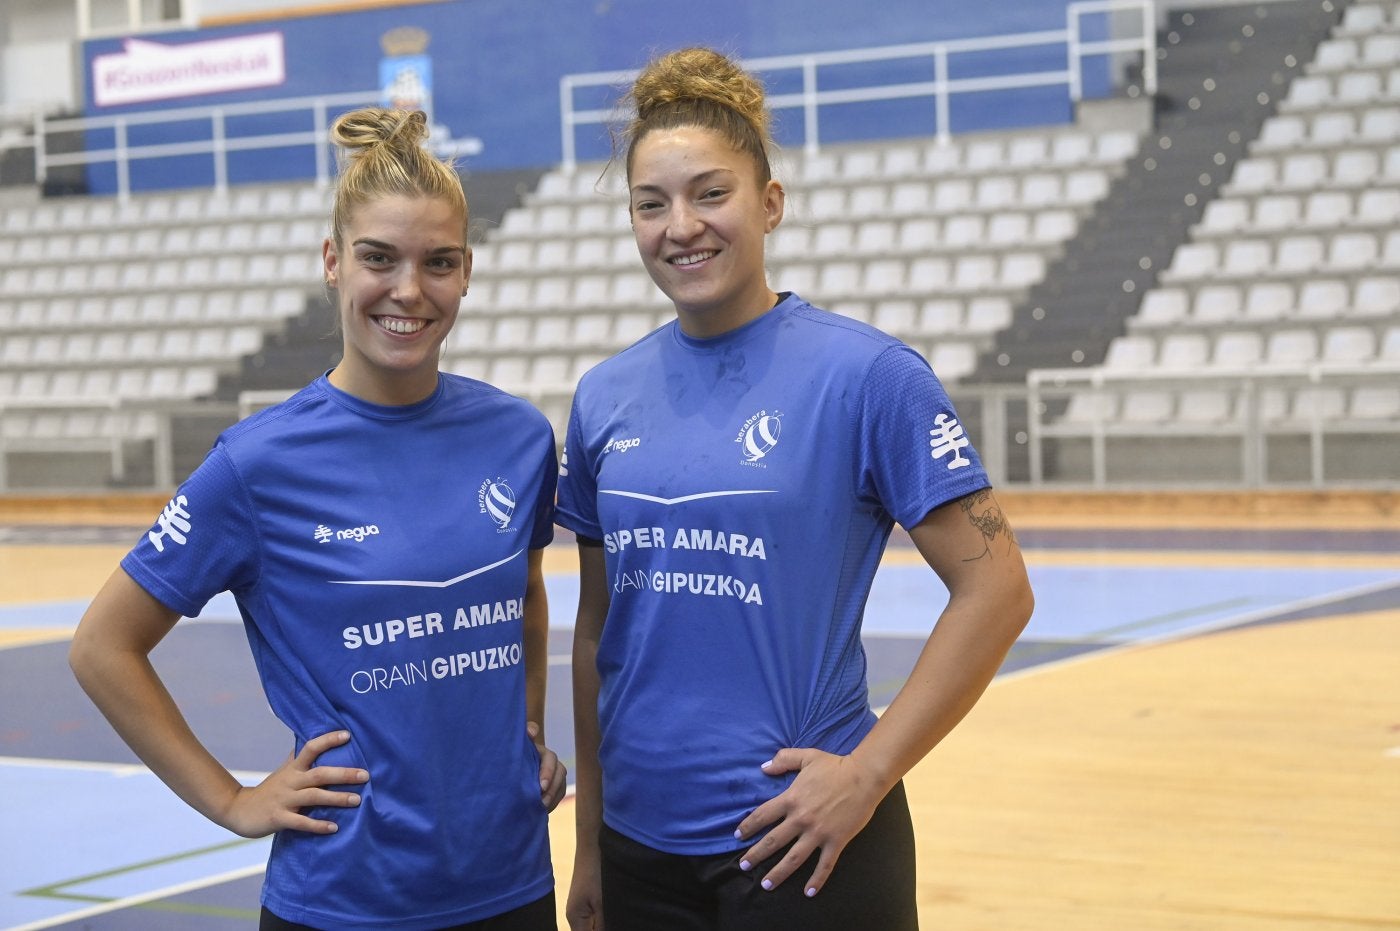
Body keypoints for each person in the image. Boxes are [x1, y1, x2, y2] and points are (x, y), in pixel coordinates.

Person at [555, 48, 1035, 931]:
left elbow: (997, 588)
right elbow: (596, 633)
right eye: (650, 203)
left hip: (805, 849)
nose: (681, 225)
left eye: (711, 193)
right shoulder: (602, 397)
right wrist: (589, 842)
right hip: (637, 853)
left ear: (769, 203)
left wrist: (870, 770)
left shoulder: (869, 376)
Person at [69, 107, 566, 931]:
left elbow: (523, 589)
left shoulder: (517, 437)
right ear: (333, 262)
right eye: (380, 258)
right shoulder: (256, 463)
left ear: (467, 271)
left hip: (510, 883)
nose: (409, 289)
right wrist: (231, 799)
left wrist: (528, 725)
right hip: (343, 899)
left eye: (437, 262)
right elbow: (101, 647)